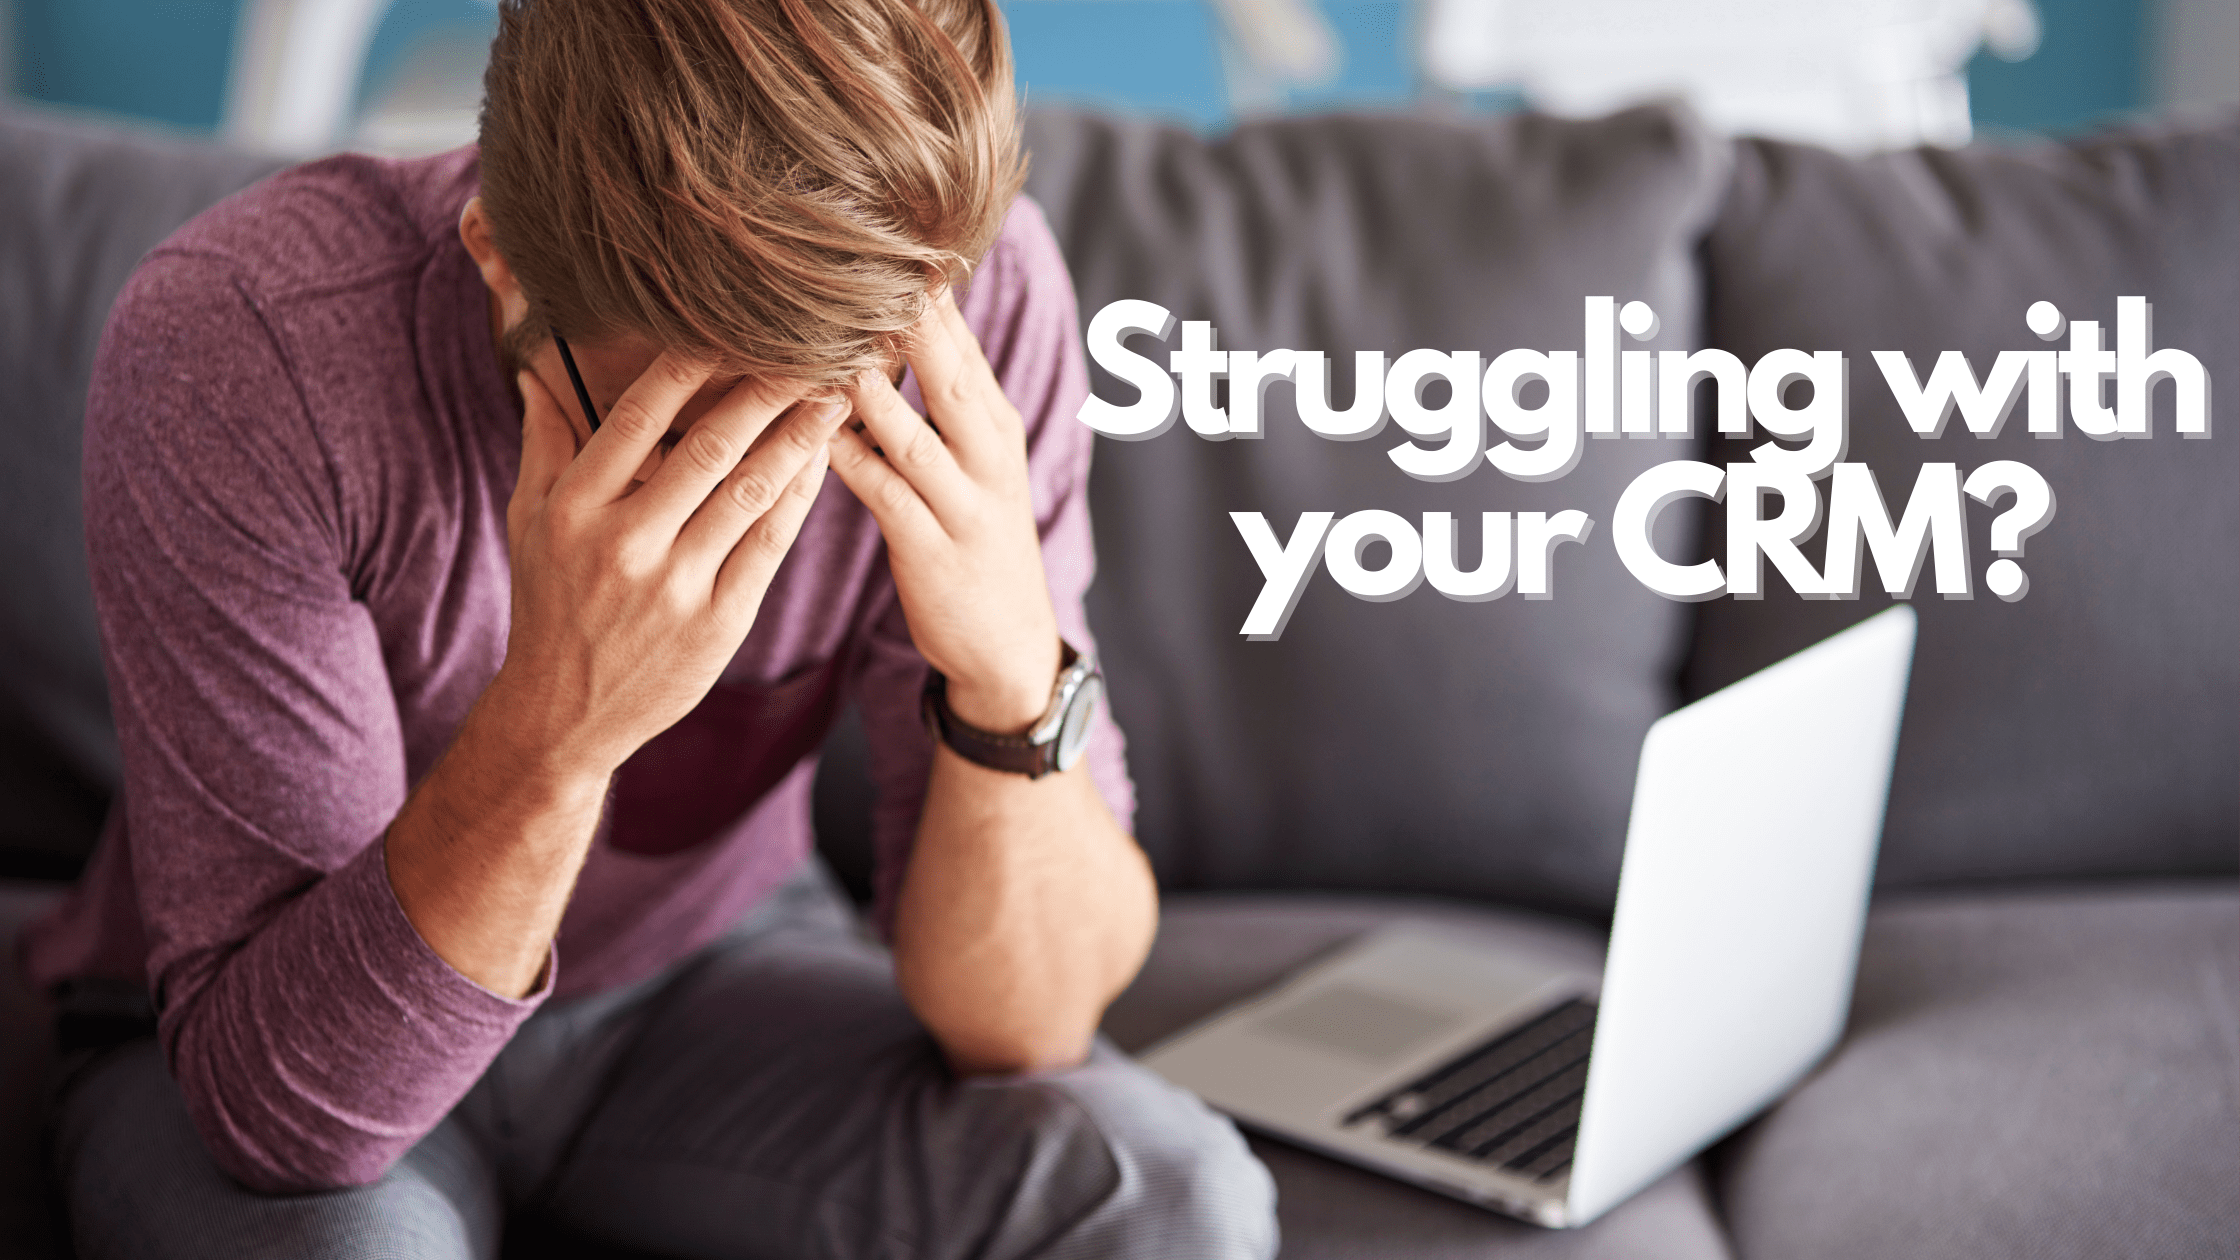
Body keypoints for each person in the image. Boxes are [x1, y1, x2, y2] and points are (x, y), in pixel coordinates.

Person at [17, 0, 1279, 1255]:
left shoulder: (977, 310)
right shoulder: (249, 340)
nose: (763, 493)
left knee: (1171, 1194)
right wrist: (557, 732)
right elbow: (291, 1126)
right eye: (681, 431)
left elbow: (1030, 1033)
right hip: (265, 1029)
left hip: (700, 977)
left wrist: (1007, 673)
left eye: (830, 413)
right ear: (495, 252)